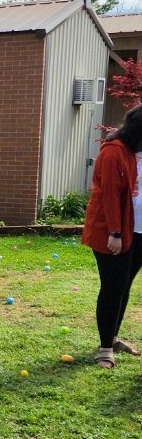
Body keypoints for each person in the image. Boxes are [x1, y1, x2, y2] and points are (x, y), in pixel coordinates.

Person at [82, 106, 142, 369]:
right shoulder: (114, 152)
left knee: (124, 286)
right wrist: (115, 233)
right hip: (112, 232)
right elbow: (109, 195)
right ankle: (105, 348)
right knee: (112, 287)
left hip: (136, 231)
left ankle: (113, 337)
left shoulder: (130, 153)